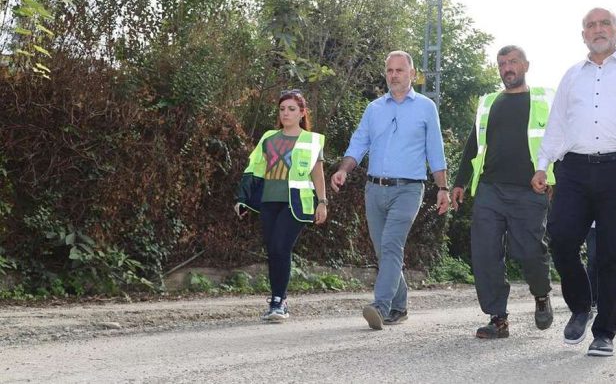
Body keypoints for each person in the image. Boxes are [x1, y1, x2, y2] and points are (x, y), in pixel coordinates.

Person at [531, 7, 616, 357]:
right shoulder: (572, 76)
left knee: (610, 254)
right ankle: (581, 305)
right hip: (573, 169)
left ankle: (604, 331)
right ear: (583, 36)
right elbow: (557, 124)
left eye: (604, 23)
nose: (597, 29)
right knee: (560, 239)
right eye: (590, 25)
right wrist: (542, 165)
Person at [331, 50, 450, 330]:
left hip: (408, 189)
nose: (394, 75)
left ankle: (380, 306)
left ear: (412, 74)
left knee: (391, 245)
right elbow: (359, 142)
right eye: (389, 70)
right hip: (375, 188)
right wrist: (342, 170)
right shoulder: (374, 109)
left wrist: (442, 187)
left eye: (399, 70)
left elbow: (435, 150)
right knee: (383, 251)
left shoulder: (425, 108)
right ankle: (399, 305)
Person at [451, 45, 554, 339]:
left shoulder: (543, 101)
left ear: (526, 65)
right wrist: (459, 182)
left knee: (530, 251)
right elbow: (473, 145)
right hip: (490, 189)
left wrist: (558, 179)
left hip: (530, 190)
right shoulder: (489, 103)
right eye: (502, 64)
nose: (507, 68)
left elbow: (560, 140)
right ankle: (498, 319)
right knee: (485, 254)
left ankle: (541, 294)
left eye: (513, 62)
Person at [235, 90, 328, 322]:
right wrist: (242, 198)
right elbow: (253, 169)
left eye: (292, 109)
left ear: (302, 113)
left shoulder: (311, 139)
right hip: (269, 201)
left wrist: (322, 202)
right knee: (273, 249)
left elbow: (318, 173)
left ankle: (279, 302)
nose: (286, 113)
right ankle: (277, 299)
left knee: (280, 247)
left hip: (296, 203)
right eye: (282, 109)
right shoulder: (268, 137)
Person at [585, 222, 597, 310]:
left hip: (609, 224)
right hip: (592, 227)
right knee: (592, 260)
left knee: (608, 261)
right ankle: (591, 297)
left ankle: (609, 298)